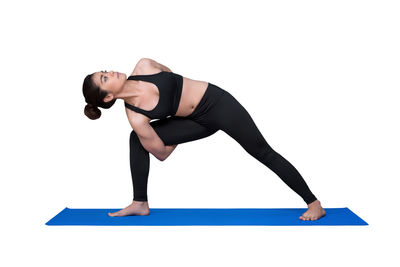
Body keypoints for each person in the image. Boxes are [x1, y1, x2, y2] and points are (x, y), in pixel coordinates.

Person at [82, 58, 326, 221]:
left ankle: (314, 203)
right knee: (137, 139)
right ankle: (139, 202)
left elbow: (169, 74)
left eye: (104, 71)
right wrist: (180, 129)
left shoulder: (144, 66)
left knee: (262, 151)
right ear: (108, 98)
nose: (109, 72)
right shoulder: (136, 118)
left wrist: (174, 108)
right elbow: (162, 153)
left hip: (218, 104)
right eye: (104, 78)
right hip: (196, 122)